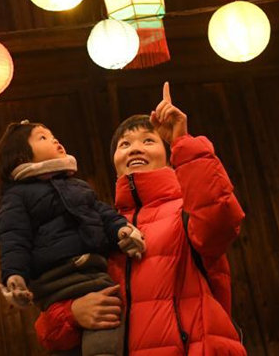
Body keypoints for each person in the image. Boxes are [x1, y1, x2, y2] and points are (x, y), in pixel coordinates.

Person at [35, 82, 246, 356]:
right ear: (115, 161)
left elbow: (220, 218)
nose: (135, 149)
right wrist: (72, 314)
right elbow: (49, 332)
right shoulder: (97, 227)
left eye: (148, 140)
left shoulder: (187, 212)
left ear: (169, 157)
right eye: (125, 144)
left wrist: (182, 142)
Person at [0, 120, 147, 356]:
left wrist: (122, 230)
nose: (54, 139)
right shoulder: (17, 196)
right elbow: (13, 239)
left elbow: (103, 212)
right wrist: (14, 276)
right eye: (43, 138)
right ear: (21, 159)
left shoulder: (77, 186)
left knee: (109, 320)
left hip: (95, 275)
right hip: (56, 283)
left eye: (53, 134)